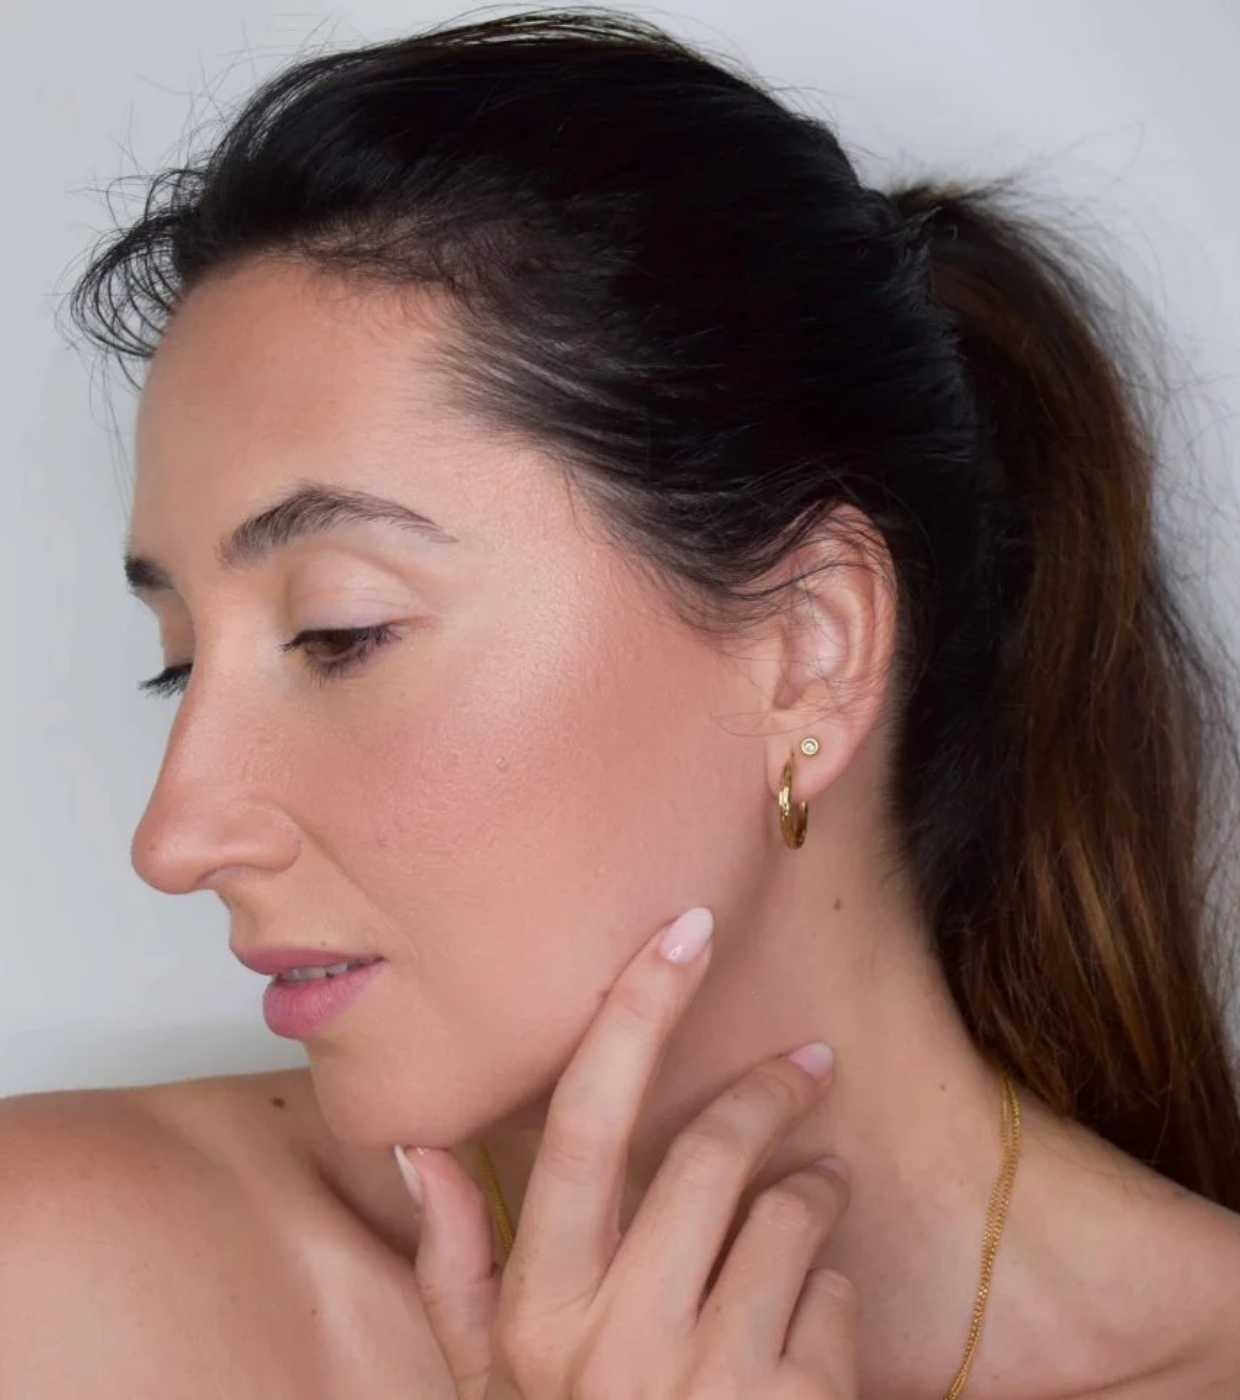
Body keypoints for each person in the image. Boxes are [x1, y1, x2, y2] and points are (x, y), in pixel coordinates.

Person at [3, 7, 1240, 1396]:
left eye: (341, 634)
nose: (174, 840)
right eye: (180, 661)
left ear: (809, 648)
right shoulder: (55, 1284)